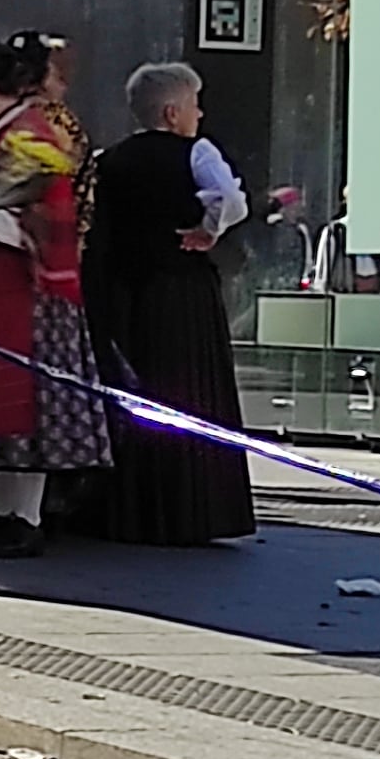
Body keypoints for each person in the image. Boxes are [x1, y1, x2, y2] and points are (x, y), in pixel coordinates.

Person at [85, 62, 256, 546]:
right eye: (195, 105)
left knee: (134, 390)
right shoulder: (195, 152)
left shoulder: (109, 158)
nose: (200, 114)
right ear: (172, 111)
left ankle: (126, 510)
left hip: (125, 292)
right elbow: (229, 198)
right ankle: (192, 511)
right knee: (189, 390)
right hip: (181, 291)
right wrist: (209, 230)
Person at [0, 34, 110, 557]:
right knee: (6, 396)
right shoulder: (6, 128)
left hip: (26, 281)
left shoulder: (28, 133)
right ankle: (4, 508)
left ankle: (24, 515)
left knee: (26, 398)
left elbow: (32, 208)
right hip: (3, 278)